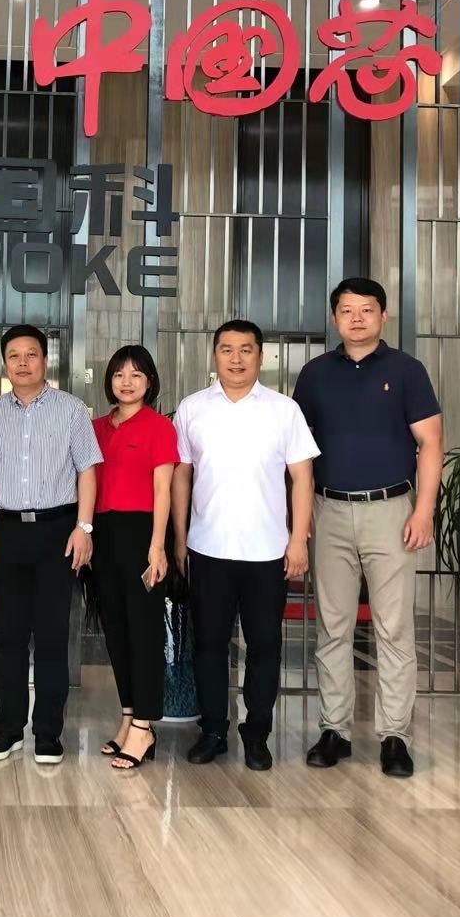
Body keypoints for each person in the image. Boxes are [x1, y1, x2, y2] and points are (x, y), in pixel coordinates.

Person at [292, 278, 442, 779]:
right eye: (347, 310)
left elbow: (431, 443)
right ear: (334, 317)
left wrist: (423, 511)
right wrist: (300, 519)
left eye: (367, 310)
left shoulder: (406, 371)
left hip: (390, 511)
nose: (356, 319)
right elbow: (298, 453)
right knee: (332, 626)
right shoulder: (314, 374)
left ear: (383, 316)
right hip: (328, 510)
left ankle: (395, 735)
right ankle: (333, 729)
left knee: (393, 628)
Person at [172, 319, 319, 771]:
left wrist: (298, 540)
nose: (236, 358)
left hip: (267, 551)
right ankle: (213, 730)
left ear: (261, 355)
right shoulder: (192, 408)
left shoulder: (284, 410)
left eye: (246, 349)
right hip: (208, 547)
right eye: (227, 349)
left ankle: (257, 734)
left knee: (265, 647)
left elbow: (302, 478)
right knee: (209, 646)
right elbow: (181, 475)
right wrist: (180, 539)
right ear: (214, 355)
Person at [0, 324, 102, 765]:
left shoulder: (71, 410)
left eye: (31, 355)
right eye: (14, 356)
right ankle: (7, 729)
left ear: (45, 361)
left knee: (51, 636)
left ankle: (48, 733)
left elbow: (87, 470)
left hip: (57, 531)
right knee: (6, 635)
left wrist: (84, 527)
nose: (23, 363)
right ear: (4, 363)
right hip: (7, 531)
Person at [91, 345, 179, 770]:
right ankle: (128, 716)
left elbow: (163, 490)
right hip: (102, 534)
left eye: (136, 375)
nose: (126, 382)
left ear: (150, 382)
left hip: (142, 532)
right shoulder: (96, 427)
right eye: (119, 374)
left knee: (143, 632)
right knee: (115, 630)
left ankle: (145, 725)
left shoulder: (159, 427)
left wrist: (158, 546)